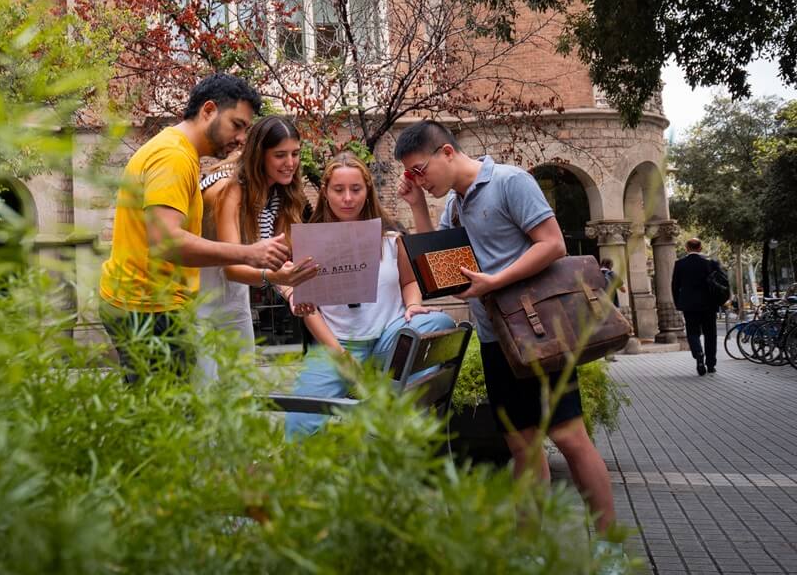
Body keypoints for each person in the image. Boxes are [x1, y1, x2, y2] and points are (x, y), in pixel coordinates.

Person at [394, 120, 617, 535]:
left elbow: (553, 244)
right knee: (523, 448)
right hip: (497, 341)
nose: (418, 180)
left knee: (569, 438)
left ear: (446, 152)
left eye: (419, 170)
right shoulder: (454, 205)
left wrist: (496, 281)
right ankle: (530, 549)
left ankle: (608, 548)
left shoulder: (510, 182)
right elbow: (444, 269)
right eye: (410, 175)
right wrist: (418, 208)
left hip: (540, 336)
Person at [98, 73, 290, 377]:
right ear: (209, 110)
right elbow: (166, 242)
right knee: (173, 419)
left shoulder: (176, 151)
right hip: (149, 310)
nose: (242, 139)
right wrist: (247, 253)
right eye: (237, 125)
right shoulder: (173, 157)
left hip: (145, 304)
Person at [282, 151, 456, 439]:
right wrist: (340, 357)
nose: (347, 198)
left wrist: (413, 305)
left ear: (367, 191)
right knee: (299, 424)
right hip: (338, 344)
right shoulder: (311, 242)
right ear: (325, 193)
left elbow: (409, 281)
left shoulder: (390, 238)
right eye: (339, 190)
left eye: (355, 189)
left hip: (390, 338)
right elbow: (309, 308)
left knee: (438, 323)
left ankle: (387, 419)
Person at [196, 116, 318, 381]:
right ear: (259, 155)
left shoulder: (281, 192)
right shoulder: (231, 188)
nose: (290, 164)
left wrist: (291, 293)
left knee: (240, 387)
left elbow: (276, 261)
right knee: (204, 389)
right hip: (198, 293)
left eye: (295, 154)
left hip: (235, 294)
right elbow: (231, 267)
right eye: (280, 155)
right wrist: (276, 278)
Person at [671, 237, 724, 376]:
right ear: (700, 248)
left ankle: (698, 353)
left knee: (692, 332)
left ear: (687, 248)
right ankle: (711, 364)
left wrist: (678, 303)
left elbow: (675, 286)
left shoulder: (680, 264)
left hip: (689, 305)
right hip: (709, 305)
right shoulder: (709, 264)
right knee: (710, 334)